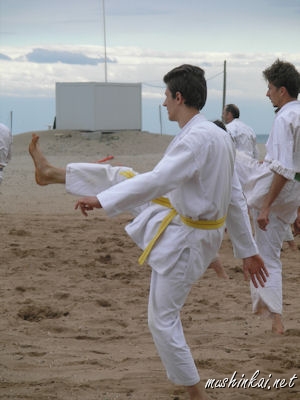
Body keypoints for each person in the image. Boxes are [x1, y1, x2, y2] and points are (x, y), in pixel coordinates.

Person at [29, 64, 268, 400]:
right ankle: (53, 173)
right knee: (125, 175)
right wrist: (246, 250)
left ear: (179, 97)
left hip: (189, 237)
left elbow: (162, 181)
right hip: (189, 225)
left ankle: (196, 394)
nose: (163, 103)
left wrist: (102, 201)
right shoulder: (216, 136)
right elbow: (233, 196)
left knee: (162, 321)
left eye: (166, 96)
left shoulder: (199, 139)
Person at [235, 59, 300, 335]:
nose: (267, 93)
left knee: (230, 160)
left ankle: (275, 319)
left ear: (282, 91)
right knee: (268, 254)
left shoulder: (285, 117)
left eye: (270, 88)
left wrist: (266, 206)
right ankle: (275, 319)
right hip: (293, 190)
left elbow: (284, 168)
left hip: (276, 186)